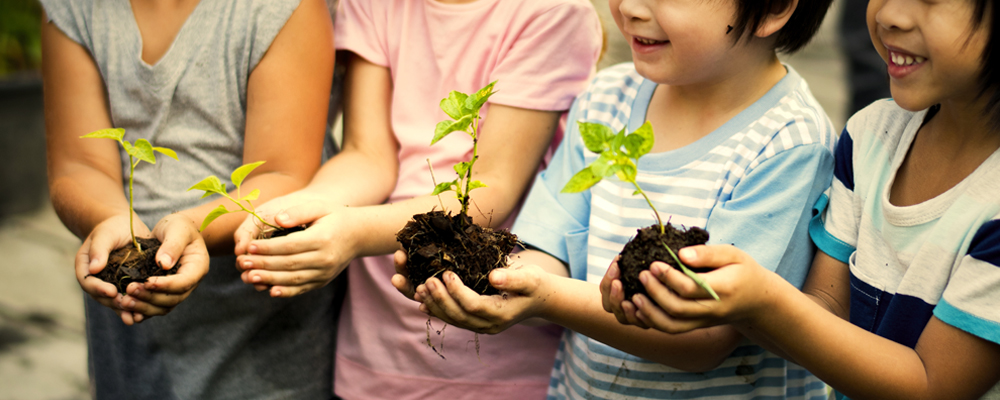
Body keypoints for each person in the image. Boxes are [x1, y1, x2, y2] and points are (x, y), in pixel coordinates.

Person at [394, 0, 837, 398]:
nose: (629, 8)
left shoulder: (789, 144)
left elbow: (702, 342)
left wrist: (546, 297)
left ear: (774, 8)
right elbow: (549, 252)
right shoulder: (607, 100)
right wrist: (492, 285)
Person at [620, 0, 1000, 398]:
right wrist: (730, 297)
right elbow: (826, 310)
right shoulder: (872, 136)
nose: (890, 15)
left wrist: (764, 301)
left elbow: (930, 386)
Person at [231, 0, 603, 398]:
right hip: (378, 348)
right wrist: (302, 209)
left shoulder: (550, 13)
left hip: (494, 362)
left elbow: (487, 189)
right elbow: (366, 153)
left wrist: (352, 233)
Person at [40, 0, 336, 397]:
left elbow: (280, 173)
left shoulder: (281, 8)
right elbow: (78, 163)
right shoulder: (76, 9)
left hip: (260, 322)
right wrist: (107, 219)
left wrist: (193, 225)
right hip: (127, 304)